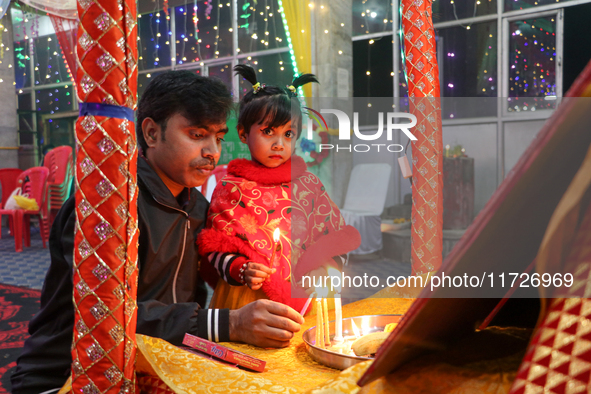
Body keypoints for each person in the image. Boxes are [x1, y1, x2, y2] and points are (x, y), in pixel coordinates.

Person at [11, 71, 304, 394]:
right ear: (151, 133)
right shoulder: (107, 206)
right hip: (73, 372)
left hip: (163, 361)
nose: (212, 152)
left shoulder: (199, 208)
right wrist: (229, 323)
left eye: (218, 138)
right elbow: (104, 313)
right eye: (197, 135)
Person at [197, 65, 361, 314]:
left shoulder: (310, 187)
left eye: (288, 133)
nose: (278, 144)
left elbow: (335, 239)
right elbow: (216, 248)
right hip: (249, 300)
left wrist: (327, 267)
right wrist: (240, 269)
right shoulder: (230, 188)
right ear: (243, 133)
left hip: (309, 295)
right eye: (267, 132)